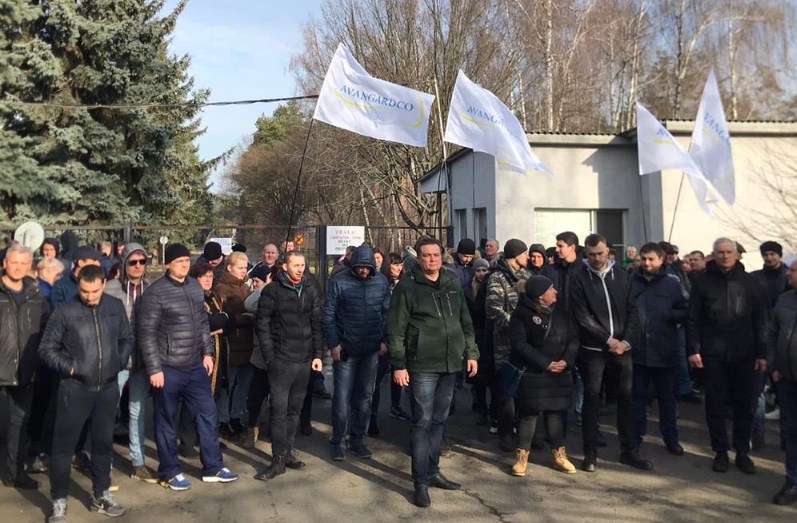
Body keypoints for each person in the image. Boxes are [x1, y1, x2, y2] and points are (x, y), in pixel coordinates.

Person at [138, 244, 238, 490]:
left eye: (186, 260)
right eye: (179, 261)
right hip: (168, 368)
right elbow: (147, 333)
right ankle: (170, 471)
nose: (184, 264)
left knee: (207, 414)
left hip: (195, 366)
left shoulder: (194, 287)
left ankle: (213, 467)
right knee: (166, 421)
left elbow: (202, 323)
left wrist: (207, 353)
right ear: (168, 264)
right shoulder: (155, 293)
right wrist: (154, 369)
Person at [387, 237, 479, 508]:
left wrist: (471, 353)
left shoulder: (452, 282)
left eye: (436, 255)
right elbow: (395, 329)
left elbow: (465, 321)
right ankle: (420, 483)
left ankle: (433, 470)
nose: (432, 259)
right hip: (422, 365)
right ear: (418, 258)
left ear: (442, 256)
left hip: (450, 363)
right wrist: (399, 365)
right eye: (426, 255)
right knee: (422, 422)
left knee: (439, 421)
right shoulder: (407, 287)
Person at [39, 265, 133, 521]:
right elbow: (46, 348)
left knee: (103, 444)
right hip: (75, 390)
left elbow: (126, 338)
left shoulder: (114, 306)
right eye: (84, 291)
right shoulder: (65, 310)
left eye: (94, 291)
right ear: (78, 285)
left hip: (107, 389)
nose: (89, 296)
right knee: (63, 449)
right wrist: (70, 368)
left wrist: (118, 362)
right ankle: (59, 500)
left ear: (103, 284)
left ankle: (101, 494)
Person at [687, 237, 768, 475]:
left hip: (745, 353)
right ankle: (720, 452)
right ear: (714, 255)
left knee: (745, 405)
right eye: (720, 252)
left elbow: (761, 321)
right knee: (715, 404)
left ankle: (742, 452)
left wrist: (762, 353)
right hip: (713, 354)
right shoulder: (702, 282)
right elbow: (693, 319)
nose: (724, 256)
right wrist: (693, 349)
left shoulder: (751, 283)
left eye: (728, 252)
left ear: (736, 254)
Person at [570, 233, 648, 472]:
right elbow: (582, 316)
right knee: (592, 399)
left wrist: (626, 341)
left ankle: (629, 450)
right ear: (585, 253)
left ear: (608, 252)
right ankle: (590, 453)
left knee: (626, 399)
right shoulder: (578, 277)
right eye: (592, 254)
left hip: (623, 349)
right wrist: (607, 339)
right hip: (594, 349)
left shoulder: (622, 276)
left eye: (600, 253)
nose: (596, 258)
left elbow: (633, 310)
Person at [255, 251, 323, 480]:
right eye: (295, 265)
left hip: (304, 361)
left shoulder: (310, 289)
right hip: (281, 361)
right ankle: (277, 460)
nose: (300, 269)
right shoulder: (272, 290)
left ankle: (287, 453)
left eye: (303, 265)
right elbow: (262, 324)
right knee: (279, 412)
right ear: (285, 266)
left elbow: (316, 324)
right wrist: (270, 357)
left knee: (295, 410)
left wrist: (318, 354)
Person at [322, 245, 390, 460]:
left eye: (367, 267)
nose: (363, 271)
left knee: (365, 398)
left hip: (371, 350)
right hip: (346, 350)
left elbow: (387, 313)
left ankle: (358, 439)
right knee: (342, 399)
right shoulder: (339, 281)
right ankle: (338, 441)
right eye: (360, 267)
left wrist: (385, 340)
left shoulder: (381, 282)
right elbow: (328, 315)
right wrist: (334, 343)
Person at [508, 275, 578, 476]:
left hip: (560, 372)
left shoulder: (561, 312)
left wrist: (566, 360)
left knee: (555, 413)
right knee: (528, 414)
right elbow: (520, 344)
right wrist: (545, 363)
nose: (555, 291)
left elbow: (573, 339)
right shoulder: (522, 314)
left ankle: (559, 455)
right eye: (550, 289)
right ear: (540, 295)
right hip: (534, 372)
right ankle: (522, 457)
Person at [103, 242, 157, 483]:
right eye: (133, 262)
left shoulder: (151, 289)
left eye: (142, 261)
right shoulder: (111, 289)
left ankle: (138, 462)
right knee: (108, 410)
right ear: (124, 263)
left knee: (137, 411)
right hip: (117, 360)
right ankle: (103, 464)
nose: (137, 266)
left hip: (143, 360)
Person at [629, 243, 689, 457]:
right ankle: (635, 439)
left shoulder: (672, 283)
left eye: (651, 259)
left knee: (667, 399)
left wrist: (670, 316)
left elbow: (685, 308)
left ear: (661, 260)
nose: (647, 263)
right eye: (644, 258)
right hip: (638, 352)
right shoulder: (631, 281)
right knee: (637, 399)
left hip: (665, 351)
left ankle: (671, 439)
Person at [0, 245, 49, 490]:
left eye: (23, 263)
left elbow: (47, 328)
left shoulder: (36, 295)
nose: (18, 267)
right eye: (14, 262)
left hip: (26, 372)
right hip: (1, 369)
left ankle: (15, 473)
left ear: (29, 265)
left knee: (19, 425)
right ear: (5, 264)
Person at [485, 238, 529, 451]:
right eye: (524, 253)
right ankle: (506, 433)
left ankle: (525, 432)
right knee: (506, 392)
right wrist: (516, 326)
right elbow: (494, 310)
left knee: (524, 390)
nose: (527, 257)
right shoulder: (497, 277)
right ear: (515, 255)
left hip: (525, 344)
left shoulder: (525, 276)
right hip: (505, 344)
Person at [751, 240, 789, 450]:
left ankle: (787, 438)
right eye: (766, 254)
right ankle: (758, 436)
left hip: (783, 341)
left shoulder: (789, 277)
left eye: (773, 254)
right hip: (760, 338)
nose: (769, 258)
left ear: (779, 255)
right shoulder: (755, 278)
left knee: (785, 393)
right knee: (757, 391)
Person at [213, 252, 255, 440]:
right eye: (240, 268)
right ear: (229, 267)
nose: (243, 271)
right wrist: (244, 318)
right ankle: (223, 420)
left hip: (248, 342)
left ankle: (236, 416)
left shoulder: (246, 287)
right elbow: (223, 318)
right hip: (231, 344)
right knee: (227, 384)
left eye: (245, 268)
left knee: (243, 384)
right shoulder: (221, 289)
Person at [768, 259, 797, 505]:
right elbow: (773, 334)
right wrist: (775, 365)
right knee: (791, 432)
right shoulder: (785, 300)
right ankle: (792, 481)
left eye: (794, 270)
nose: (788, 274)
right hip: (787, 379)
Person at [370, 252, 409, 434]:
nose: (398, 268)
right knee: (376, 379)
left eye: (400, 265)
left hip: (401, 336)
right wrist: (383, 339)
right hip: (385, 337)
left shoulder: (405, 283)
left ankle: (396, 405)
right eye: (395, 265)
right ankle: (372, 416)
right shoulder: (381, 283)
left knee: (398, 372)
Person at [242, 264, 273, 448]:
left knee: (276, 396)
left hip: (278, 354)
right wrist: (264, 288)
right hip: (260, 354)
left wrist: (267, 286)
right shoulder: (259, 295)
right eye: (253, 281)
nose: (254, 285)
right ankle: (252, 428)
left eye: (257, 281)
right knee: (257, 394)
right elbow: (249, 304)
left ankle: (272, 429)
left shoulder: (275, 292)